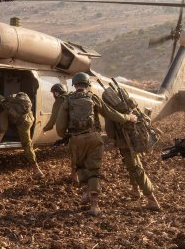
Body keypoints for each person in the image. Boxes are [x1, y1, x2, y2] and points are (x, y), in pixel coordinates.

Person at [56, 72, 136, 217]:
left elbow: (60, 127)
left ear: (74, 85)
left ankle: (85, 192)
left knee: (80, 167)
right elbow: (110, 113)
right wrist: (127, 118)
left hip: (76, 139)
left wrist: (67, 136)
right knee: (94, 171)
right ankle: (94, 205)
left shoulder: (67, 100)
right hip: (94, 138)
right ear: (88, 85)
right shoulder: (93, 98)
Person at [102, 92, 161, 210]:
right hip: (135, 142)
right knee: (132, 166)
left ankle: (152, 200)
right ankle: (135, 190)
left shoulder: (113, 113)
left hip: (126, 145)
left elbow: (110, 133)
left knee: (136, 169)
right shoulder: (129, 106)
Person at [0, 92, 43, 178]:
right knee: (23, 133)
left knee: (26, 144)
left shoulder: (3, 108)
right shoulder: (12, 99)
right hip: (30, 117)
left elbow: (4, 127)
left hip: (23, 124)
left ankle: (36, 169)